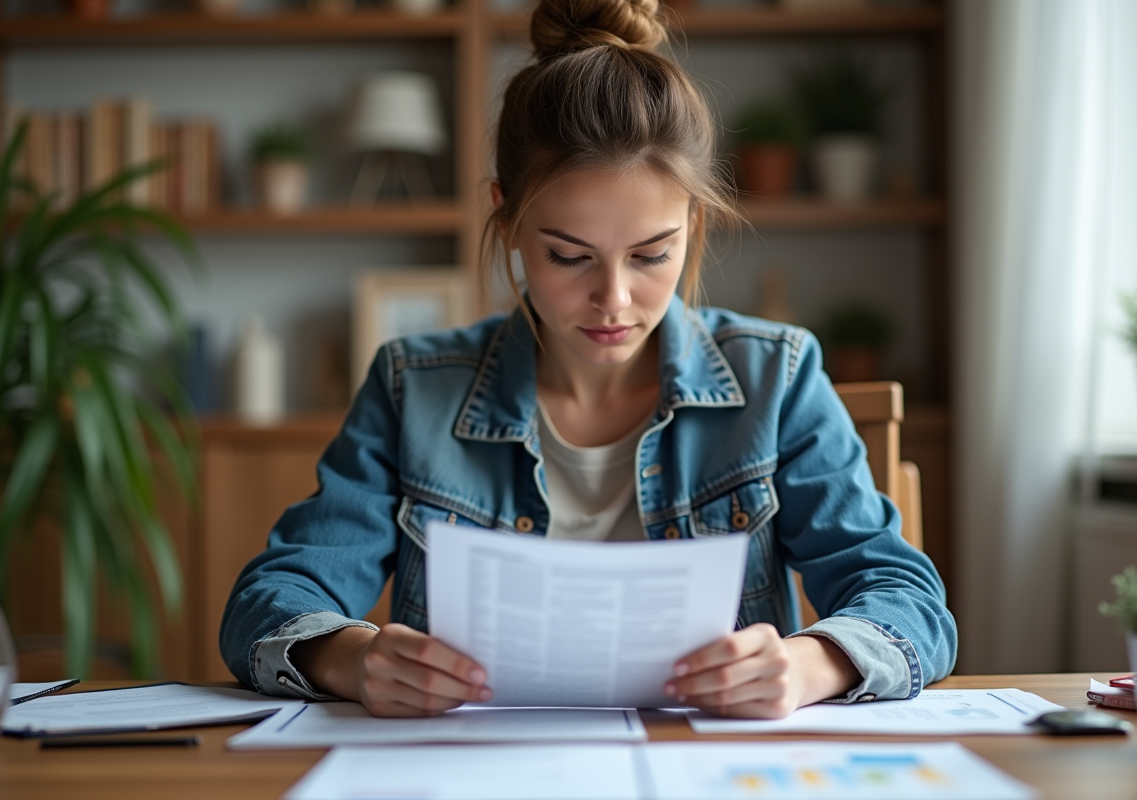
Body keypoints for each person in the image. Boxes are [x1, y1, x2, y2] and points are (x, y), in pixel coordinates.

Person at [220, 0, 957, 720]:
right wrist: (351, 658)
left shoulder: (779, 378)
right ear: (505, 217)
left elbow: (904, 599)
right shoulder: (414, 389)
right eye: (569, 256)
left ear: (693, 225)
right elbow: (273, 596)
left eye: (651, 255)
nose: (613, 298)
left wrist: (805, 666)